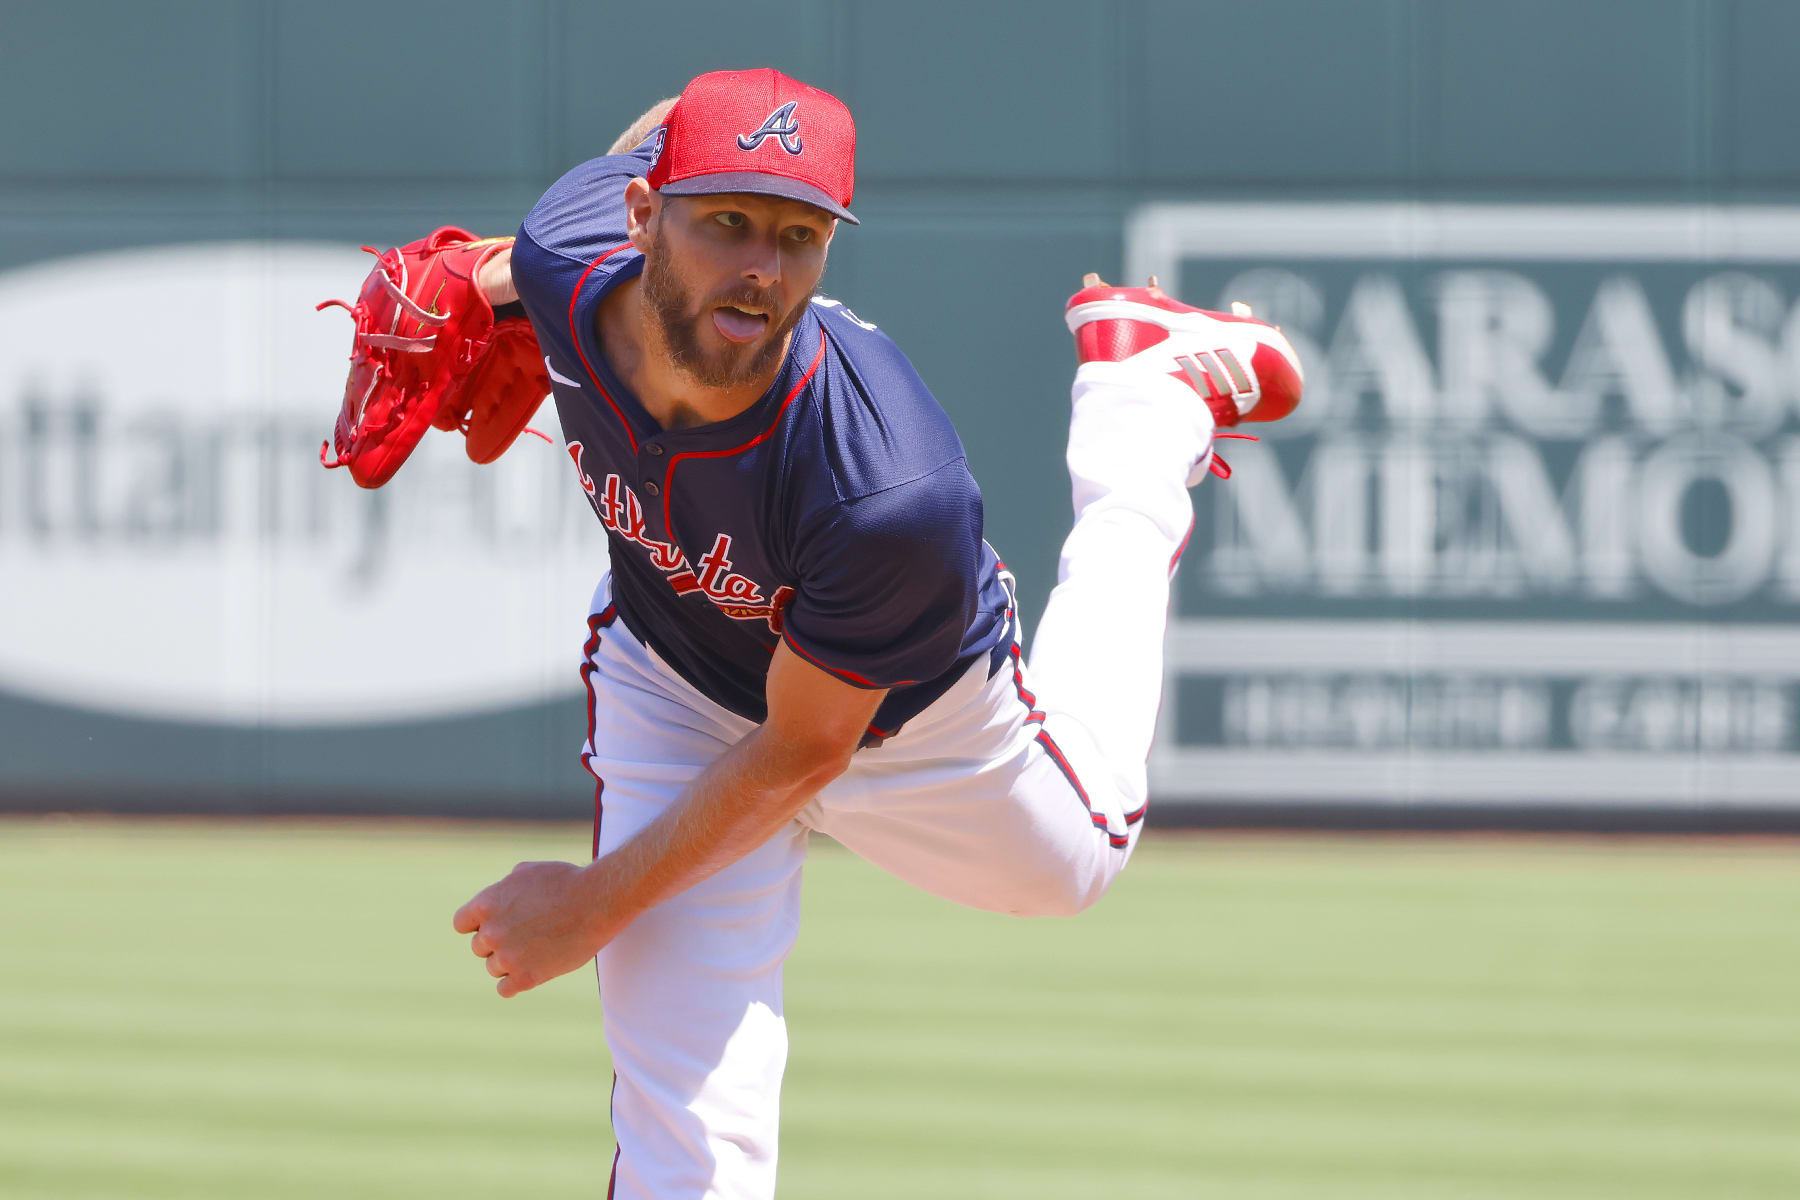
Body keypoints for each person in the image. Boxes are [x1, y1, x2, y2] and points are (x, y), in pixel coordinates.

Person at [449, 68, 1301, 1199]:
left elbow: (806, 753)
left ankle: (1141, 410)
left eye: (799, 235)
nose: (762, 264)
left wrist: (590, 906)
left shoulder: (887, 486)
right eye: (728, 221)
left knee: (1073, 863)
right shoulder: (567, 250)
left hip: (916, 725)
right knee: (690, 1142)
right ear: (642, 217)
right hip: (681, 686)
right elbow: (577, 200)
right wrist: (482, 279)